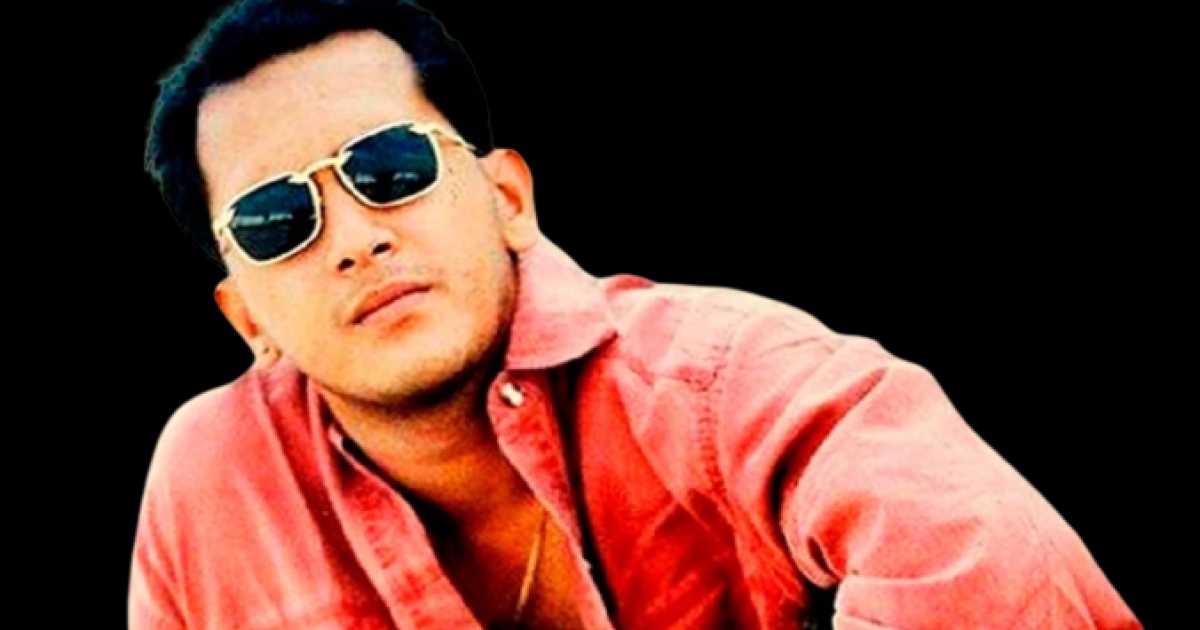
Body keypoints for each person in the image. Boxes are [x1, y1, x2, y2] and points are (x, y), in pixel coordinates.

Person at [129, 1, 1142, 628]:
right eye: (275, 220)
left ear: (508, 200)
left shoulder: (721, 378)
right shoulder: (211, 482)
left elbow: (999, 578)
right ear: (246, 317)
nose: (354, 237)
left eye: (389, 168)